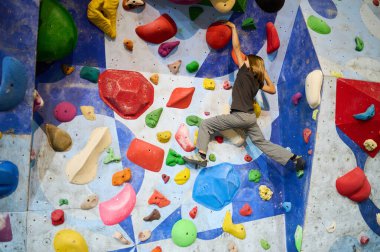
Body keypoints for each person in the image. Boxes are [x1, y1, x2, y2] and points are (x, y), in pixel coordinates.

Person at [183, 21, 306, 171]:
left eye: (246, 59)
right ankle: (294, 158)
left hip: (240, 116)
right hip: (250, 118)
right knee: (262, 143)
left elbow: (236, 47)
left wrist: (233, 28)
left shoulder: (244, 71)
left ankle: (201, 156)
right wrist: (264, 73)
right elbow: (273, 89)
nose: (244, 59)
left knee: (206, 124)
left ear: (249, 64)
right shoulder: (257, 81)